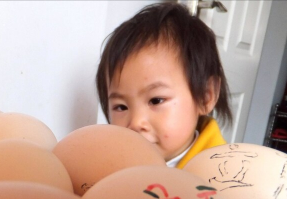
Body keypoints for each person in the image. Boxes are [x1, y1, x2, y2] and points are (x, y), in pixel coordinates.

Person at [95, 3, 233, 169]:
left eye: (156, 100)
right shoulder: (111, 161)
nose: (136, 123)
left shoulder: (222, 176)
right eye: (121, 107)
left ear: (205, 96)